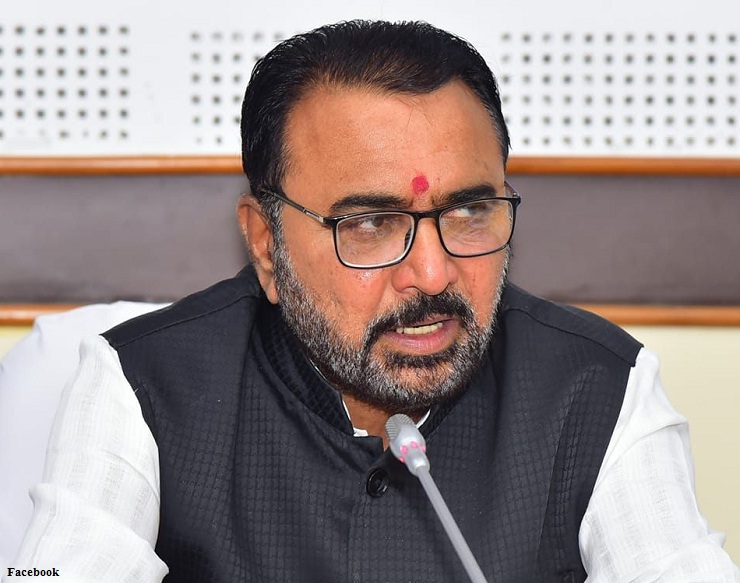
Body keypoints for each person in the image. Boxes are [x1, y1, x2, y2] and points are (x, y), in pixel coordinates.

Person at [8, 20, 738, 583]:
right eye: (368, 223)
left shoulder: (599, 390)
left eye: (470, 211)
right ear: (266, 245)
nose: (432, 273)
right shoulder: (142, 386)